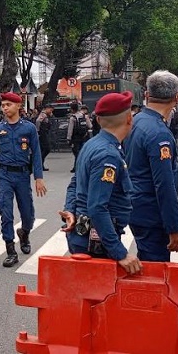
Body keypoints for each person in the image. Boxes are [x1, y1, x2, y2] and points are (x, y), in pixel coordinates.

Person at [60, 91, 142, 274]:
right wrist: (120, 253)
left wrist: (69, 211)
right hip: (96, 242)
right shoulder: (107, 154)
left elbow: (75, 183)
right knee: (98, 298)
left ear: (97, 120)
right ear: (130, 119)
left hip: (84, 234)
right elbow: (97, 207)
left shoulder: (92, 144)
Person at [0, 92, 47, 268]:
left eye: (8, 104)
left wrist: (39, 177)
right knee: (5, 211)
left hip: (23, 175)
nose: (5, 107)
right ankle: (10, 250)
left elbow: (36, 154)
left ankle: (24, 232)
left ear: (18, 106)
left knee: (27, 212)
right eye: (3, 105)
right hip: (4, 175)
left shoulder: (29, 128)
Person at [124, 70, 178, 262]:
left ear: (147, 95)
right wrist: (174, 227)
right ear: (177, 98)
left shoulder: (135, 121)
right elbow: (164, 184)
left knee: (147, 261)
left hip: (135, 205)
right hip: (151, 213)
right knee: (156, 269)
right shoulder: (159, 133)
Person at [66, 102, 91, 172]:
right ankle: (81, 166)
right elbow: (90, 125)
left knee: (76, 153)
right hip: (84, 137)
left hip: (75, 137)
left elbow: (70, 129)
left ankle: (76, 167)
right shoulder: (84, 116)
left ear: (72, 109)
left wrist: (68, 139)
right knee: (81, 152)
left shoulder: (72, 118)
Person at [35, 106, 54, 171]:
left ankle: (41, 164)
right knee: (46, 149)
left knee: (43, 149)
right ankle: (40, 163)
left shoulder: (46, 115)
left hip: (44, 133)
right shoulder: (43, 115)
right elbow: (38, 121)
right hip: (42, 133)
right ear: (47, 108)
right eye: (50, 110)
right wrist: (37, 131)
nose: (51, 112)